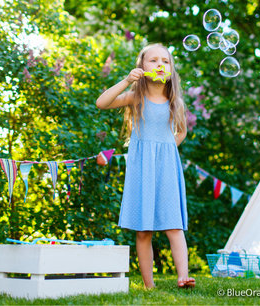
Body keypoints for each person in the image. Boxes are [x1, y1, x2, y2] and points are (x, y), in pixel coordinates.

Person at [96, 43, 194, 289]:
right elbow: (102, 103)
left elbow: (181, 132)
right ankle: (149, 286)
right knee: (143, 230)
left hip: (167, 167)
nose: (160, 64)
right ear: (141, 67)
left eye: (165, 61)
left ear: (171, 70)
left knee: (174, 225)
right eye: (153, 60)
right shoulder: (134, 97)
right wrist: (126, 80)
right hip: (142, 168)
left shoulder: (175, 102)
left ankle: (183, 277)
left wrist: (166, 149)